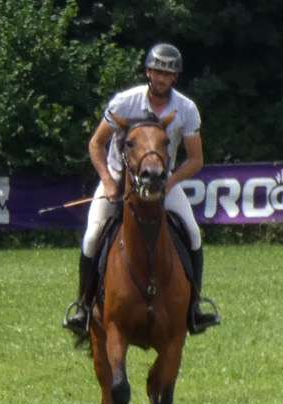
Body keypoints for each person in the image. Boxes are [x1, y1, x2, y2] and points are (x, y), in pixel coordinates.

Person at [64, 41, 221, 343]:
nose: (161, 78)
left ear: (175, 77)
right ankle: (83, 307)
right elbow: (96, 144)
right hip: (118, 180)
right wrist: (108, 182)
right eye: (157, 72)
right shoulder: (125, 102)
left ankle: (195, 306)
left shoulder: (186, 109)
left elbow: (196, 160)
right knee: (93, 235)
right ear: (148, 72)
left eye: (168, 73)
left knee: (192, 232)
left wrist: (170, 182)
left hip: (162, 181)